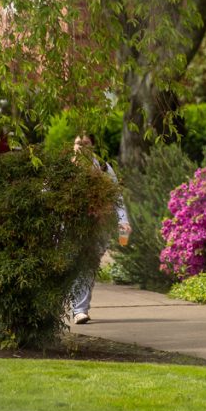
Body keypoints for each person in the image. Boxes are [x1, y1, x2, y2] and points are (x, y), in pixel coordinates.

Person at [70, 133, 131, 325]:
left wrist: (123, 220)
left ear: (93, 146)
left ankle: (80, 309)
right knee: (75, 265)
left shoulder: (104, 168)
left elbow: (116, 197)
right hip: (72, 226)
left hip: (99, 225)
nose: (81, 147)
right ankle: (78, 308)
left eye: (85, 143)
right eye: (78, 143)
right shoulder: (65, 168)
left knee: (88, 266)